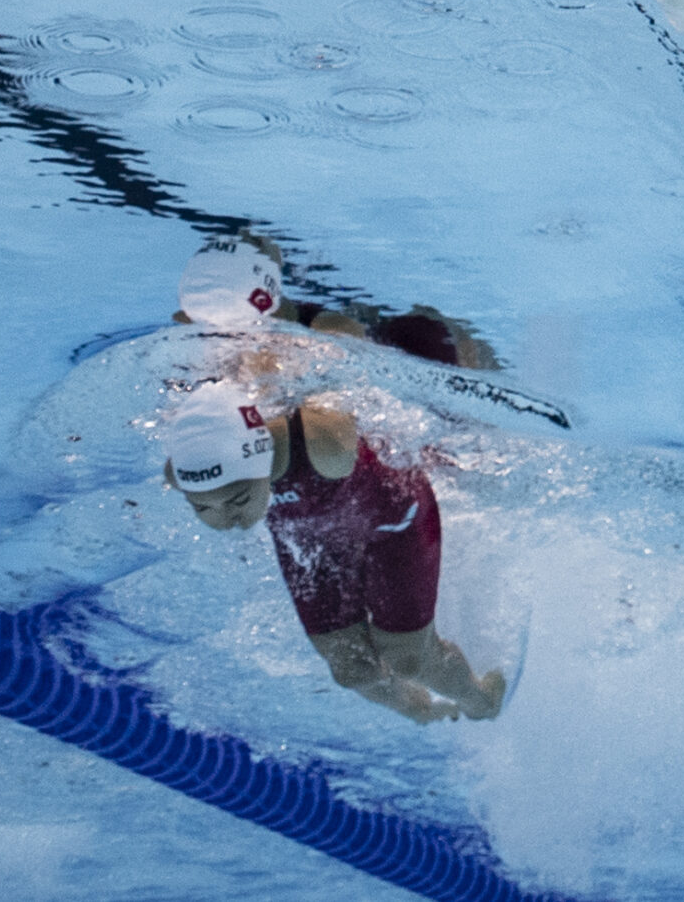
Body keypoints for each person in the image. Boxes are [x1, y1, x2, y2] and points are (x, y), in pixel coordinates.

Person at [166, 380, 507, 723]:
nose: (229, 520)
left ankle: (479, 700)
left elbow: (355, 384)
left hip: (392, 524)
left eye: (239, 500)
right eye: (203, 508)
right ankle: (418, 710)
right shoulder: (191, 465)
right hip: (313, 539)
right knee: (351, 670)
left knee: (408, 658)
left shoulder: (325, 444)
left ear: (262, 466)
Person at [174, 234, 501, 371]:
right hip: (421, 353)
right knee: (431, 325)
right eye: (258, 243)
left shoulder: (190, 338)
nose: (251, 230)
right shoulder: (333, 329)